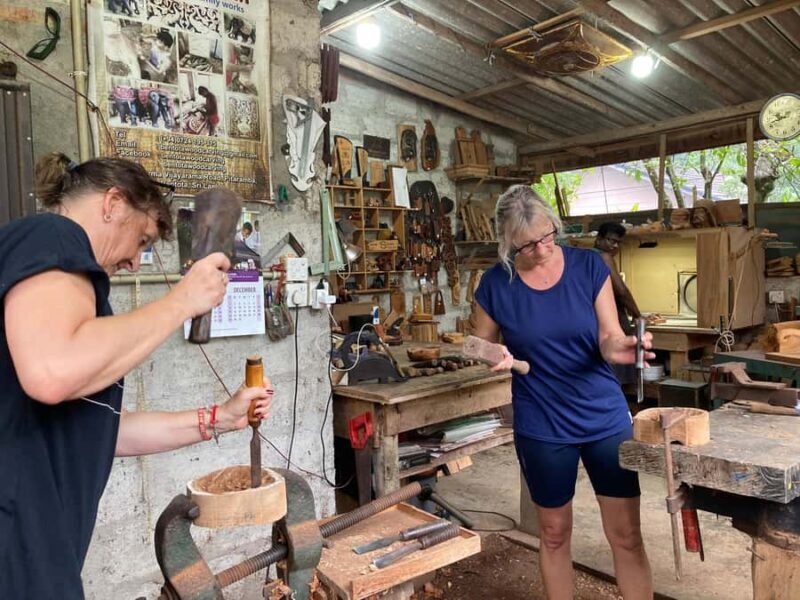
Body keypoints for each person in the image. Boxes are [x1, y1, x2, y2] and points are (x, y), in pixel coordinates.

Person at [0, 153, 274, 598]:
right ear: (113, 203)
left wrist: (218, 418)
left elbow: (99, 427)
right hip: (15, 542)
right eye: (143, 238)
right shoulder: (52, 235)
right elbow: (51, 374)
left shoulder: (59, 273)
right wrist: (181, 302)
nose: (134, 261)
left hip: (37, 542)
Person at [472, 185, 654, 600]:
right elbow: (476, 344)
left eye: (548, 235)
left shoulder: (588, 266)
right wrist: (492, 354)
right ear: (507, 244)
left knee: (626, 533)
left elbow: (608, 336)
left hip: (603, 417)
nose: (542, 249)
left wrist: (621, 346)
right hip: (542, 422)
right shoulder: (496, 283)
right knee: (553, 533)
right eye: (528, 245)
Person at [594, 222, 642, 385]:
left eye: (618, 242)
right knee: (615, 376)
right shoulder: (603, 256)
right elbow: (621, 290)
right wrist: (638, 315)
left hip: (594, 324)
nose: (614, 246)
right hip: (608, 322)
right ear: (598, 239)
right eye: (611, 240)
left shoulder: (585, 257)